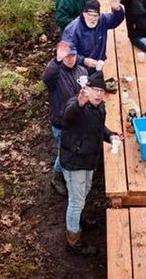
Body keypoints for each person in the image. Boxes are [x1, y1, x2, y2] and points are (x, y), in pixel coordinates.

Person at [59, 80, 120, 254]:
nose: (99, 94)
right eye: (95, 90)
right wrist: (80, 103)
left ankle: (77, 220)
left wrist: (111, 136)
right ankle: (74, 240)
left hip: (90, 160)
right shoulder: (75, 105)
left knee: (84, 191)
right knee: (76, 202)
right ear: (86, 90)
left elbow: (100, 128)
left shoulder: (100, 107)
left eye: (101, 90)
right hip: (74, 162)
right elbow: (68, 116)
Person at [43, 41, 105, 196]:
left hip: (79, 119)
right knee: (64, 151)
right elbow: (47, 76)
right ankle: (58, 177)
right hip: (61, 122)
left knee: (75, 146)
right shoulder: (56, 75)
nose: (70, 59)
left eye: (73, 55)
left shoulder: (82, 71)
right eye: (66, 56)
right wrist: (57, 60)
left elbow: (88, 90)